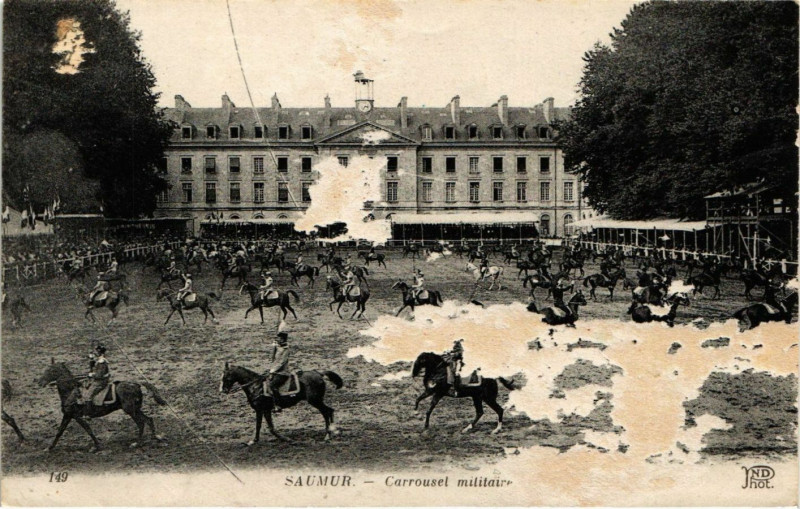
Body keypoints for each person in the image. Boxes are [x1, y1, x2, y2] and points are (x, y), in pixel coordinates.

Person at [267, 329, 291, 411]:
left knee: (273, 385)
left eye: (279, 338)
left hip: (282, 372)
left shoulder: (286, 349)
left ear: (283, 339)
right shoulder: (278, 347)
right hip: (275, 370)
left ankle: (278, 405)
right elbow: (272, 358)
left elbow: (281, 362)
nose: (277, 339)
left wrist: (272, 371)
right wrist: (273, 347)